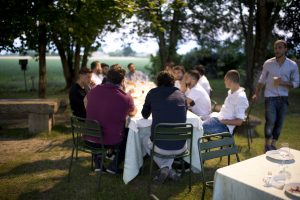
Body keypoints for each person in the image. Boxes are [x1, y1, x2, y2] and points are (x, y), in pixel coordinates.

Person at [85, 64, 137, 174]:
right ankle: (113, 166)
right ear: (123, 80)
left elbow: (86, 102)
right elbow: (133, 112)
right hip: (110, 141)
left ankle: (98, 163)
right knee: (129, 134)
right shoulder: (125, 97)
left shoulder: (94, 90)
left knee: (99, 125)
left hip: (89, 137)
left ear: (107, 77)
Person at [252, 40, 299, 152]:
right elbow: (261, 80)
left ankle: (273, 144)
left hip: (284, 98)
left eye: (280, 47)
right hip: (270, 97)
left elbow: (297, 82)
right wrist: (256, 93)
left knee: (279, 122)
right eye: (275, 48)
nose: (277, 50)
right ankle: (267, 145)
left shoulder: (292, 65)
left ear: (285, 49)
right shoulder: (268, 63)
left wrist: (282, 83)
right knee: (270, 121)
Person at [142, 70, 187, 183]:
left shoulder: (153, 93)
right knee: (170, 136)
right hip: (181, 145)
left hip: (162, 146)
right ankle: (168, 169)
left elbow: (144, 115)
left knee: (143, 139)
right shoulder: (181, 94)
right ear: (172, 82)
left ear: (158, 82)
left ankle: (165, 168)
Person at [203, 70, 249, 135]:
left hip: (224, 127)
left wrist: (223, 121)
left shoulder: (241, 97)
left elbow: (239, 121)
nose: (224, 82)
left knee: (198, 128)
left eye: (225, 80)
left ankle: (194, 145)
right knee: (197, 122)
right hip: (218, 120)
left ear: (230, 81)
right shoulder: (231, 92)